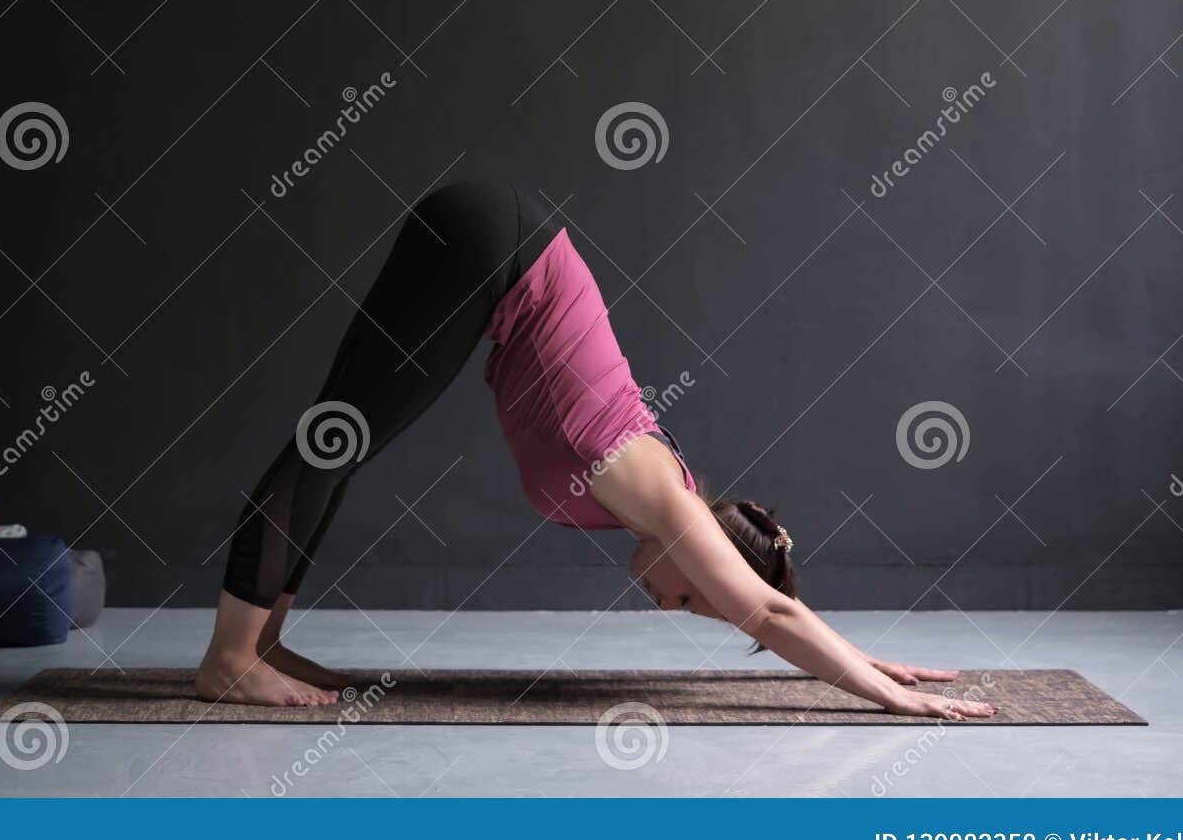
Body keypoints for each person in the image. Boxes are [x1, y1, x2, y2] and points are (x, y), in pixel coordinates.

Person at [197, 181, 996, 721]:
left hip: (496, 247)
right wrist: (892, 694)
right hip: (496, 249)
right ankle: (230, 657)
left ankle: (259, 640)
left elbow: (773, 601)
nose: (667, 606)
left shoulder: (653, 495)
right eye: (690, 599)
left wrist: (868, 657)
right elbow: (771, 609)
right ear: (706, 549)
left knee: (340, 436)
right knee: (334, 439)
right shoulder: (665, 498)